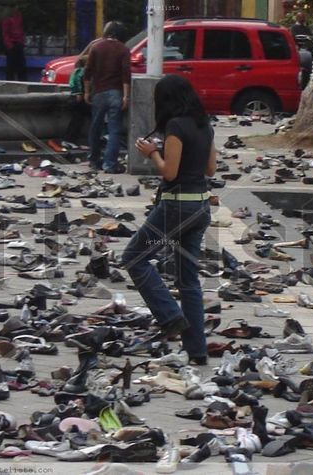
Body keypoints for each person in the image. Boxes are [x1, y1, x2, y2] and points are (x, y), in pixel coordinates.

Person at [121, 74, 217, 366]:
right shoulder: (205, 125)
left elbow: (170, 173)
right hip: (200, 207)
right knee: (188, 280)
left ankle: (170, 316)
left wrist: (152, 153)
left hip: (176, 209)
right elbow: (211, 169)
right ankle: (198, 351)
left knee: (134, 258)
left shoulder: (176, 126)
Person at [83, 21, 131, 174]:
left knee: (95, 127)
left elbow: (87, 71)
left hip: (98, 92)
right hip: (116, 92)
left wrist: (86, 91)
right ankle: (109, 164)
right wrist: (125, 96)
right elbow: (126, 75)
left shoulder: (96, 47)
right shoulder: (123, 49)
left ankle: (94, 160)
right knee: (114, 130)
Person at [65, 55, 89, 144]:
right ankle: (69, 139)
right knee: (78, 119)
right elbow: (79, 83)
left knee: (77, 119)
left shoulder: (76, 71)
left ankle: (69, 139)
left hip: (74, 97)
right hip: (79, 98)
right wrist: (79, 93)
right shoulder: (82, 72)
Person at [1, 10, 27, 81]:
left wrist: (21, 42)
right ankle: (10, 81)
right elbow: (5, 33)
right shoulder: (7, 17)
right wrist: (10, 46)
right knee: (11, 67)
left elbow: (20, 29)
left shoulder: (18, 15)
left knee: (21, 67)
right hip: (12, 44)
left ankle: (21, 81)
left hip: (18, 43)